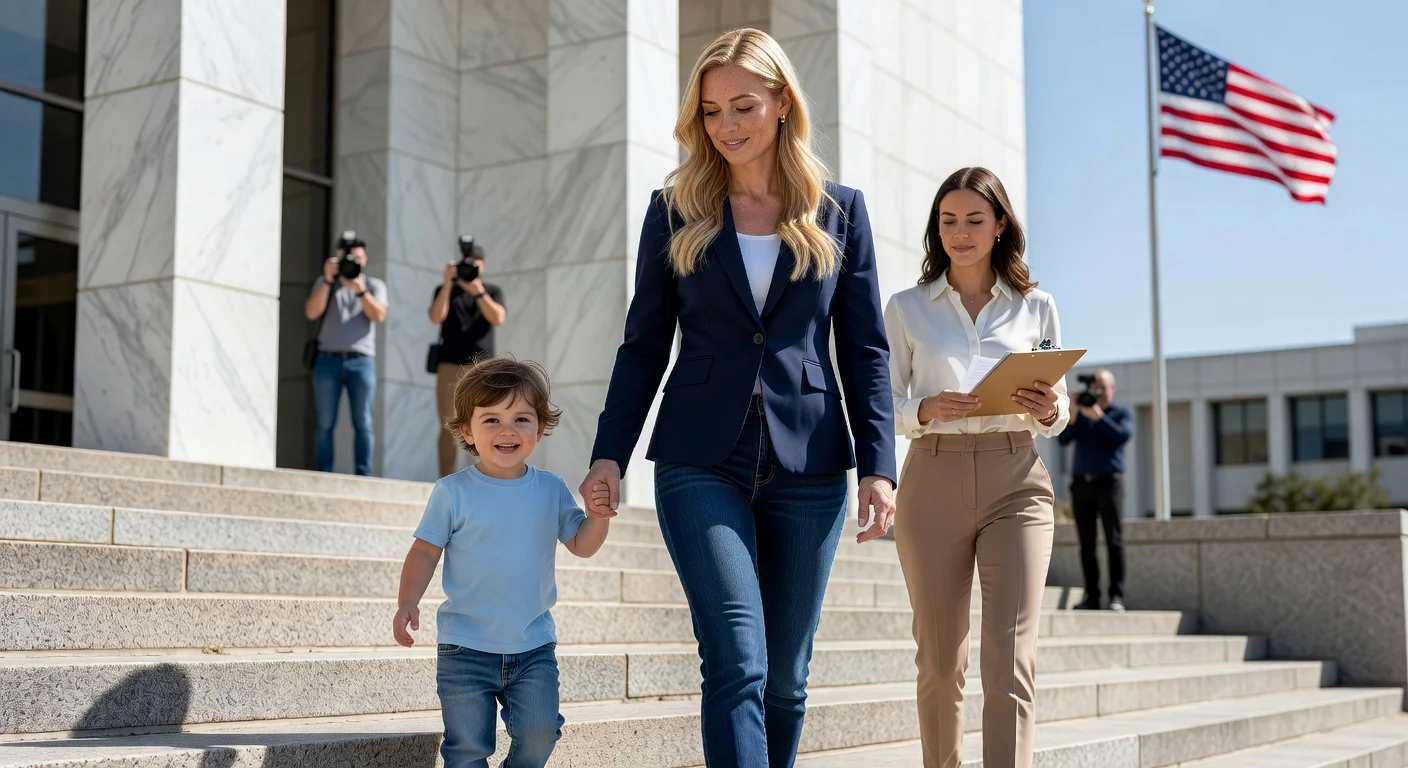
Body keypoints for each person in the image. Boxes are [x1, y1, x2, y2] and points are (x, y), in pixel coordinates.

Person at [577, 28, 896, 768]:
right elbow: (643, 344)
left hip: (811, 463)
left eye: (743, 106)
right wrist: (608, 454)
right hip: (699, 457)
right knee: (736, 661)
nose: (726, 125)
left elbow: (865, 351)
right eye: (711, 110)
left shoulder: (840, 211)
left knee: (785, 680)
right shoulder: (674, 209)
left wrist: (880, 466)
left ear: (782, 104)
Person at [884, 166, 1069, 768]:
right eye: (948, 221)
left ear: (1000, 226)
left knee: (1010, 658)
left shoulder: (1036, 307)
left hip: (1016, 480)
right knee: (941, 661)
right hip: (931, 476)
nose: (959, 233)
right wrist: (925, 408)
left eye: (973, 220)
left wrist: (1049, 406)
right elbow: (880, 403)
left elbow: (1058, 407)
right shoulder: (907, 308)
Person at [392, 357, 610, 768]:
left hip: (533, 647)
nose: (507, 430)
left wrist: (598, 515)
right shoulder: (453, 492)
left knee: (541, 732)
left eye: (521, 419)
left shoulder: (551, 489)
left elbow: (582, 545)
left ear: (540, 428)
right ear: (466, 431)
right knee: (467, 749)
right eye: (491, 419)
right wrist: (408, 601)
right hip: (464, 647)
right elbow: (424, 551)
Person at [303, 242, 388, 475]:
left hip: (362, 361)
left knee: (364, 422)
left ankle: (363, 475)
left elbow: (379, 315)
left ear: (365, 260)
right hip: (327, 360)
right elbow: (311, 312)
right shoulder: (326, 283)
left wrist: (360, 291)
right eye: (348, 259)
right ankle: (324, 473)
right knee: (324, 423)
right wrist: (327, 280)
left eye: (357, 258)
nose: (353, 263)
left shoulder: (373, 285)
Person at [429, 245, 507, 477]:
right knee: (448, 424)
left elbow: (498, 318)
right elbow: (435, 316)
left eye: (474, 264)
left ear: (483, 265)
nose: (469, 269)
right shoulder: (445, 290)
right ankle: (446, 479)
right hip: (449, 364)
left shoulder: (491, 291)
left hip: (482, 367)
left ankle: (486, 476)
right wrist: (447, 283)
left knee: (484, 423)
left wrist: (478, 291)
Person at [1057, 368, 1132, 612]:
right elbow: (1063, 439)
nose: (1097, 391)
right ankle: (1091, 595)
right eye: (1094, 387)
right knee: (1086, 543)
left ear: (1112, 388)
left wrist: (1098, 416)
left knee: (1114, 541)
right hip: (1082, 484)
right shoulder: (1083, 413)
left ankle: (1116, 596)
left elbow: (1122, 436)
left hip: (1109, 483)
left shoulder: (1121, 413)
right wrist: (1073, 412)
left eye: (1102, 387)